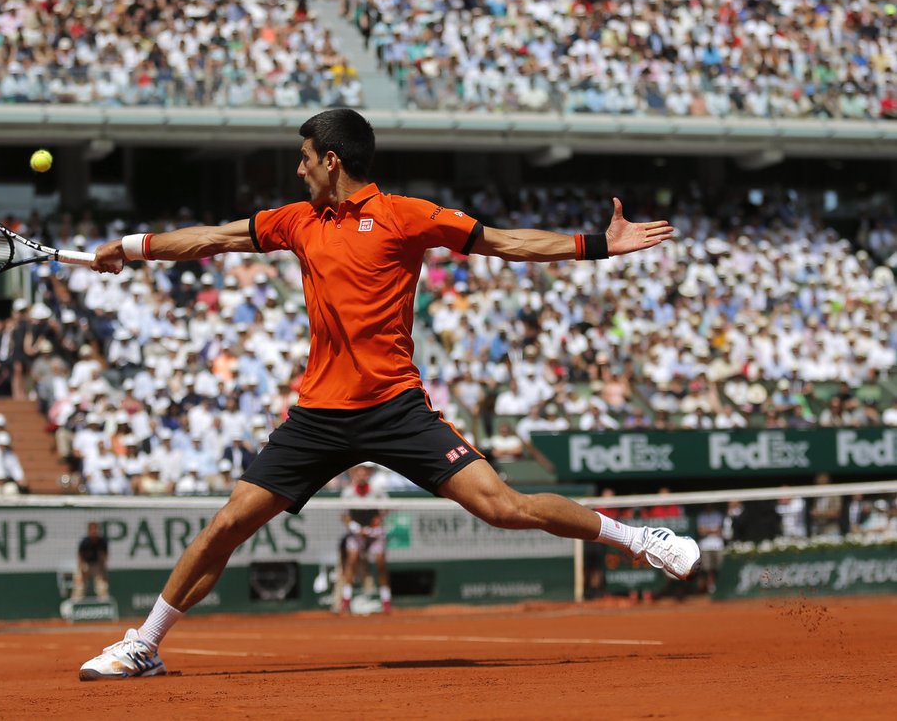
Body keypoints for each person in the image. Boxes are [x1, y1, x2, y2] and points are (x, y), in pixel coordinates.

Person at [79, 108, 700, 680]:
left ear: (332, 161)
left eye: (303, 157)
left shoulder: (407, 215)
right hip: (318, 415)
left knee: (504, 508)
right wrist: (132, 249)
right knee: (228, 524)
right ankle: (145, 644)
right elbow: (213, 237)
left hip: (396, 407)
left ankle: (643, 541)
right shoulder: (297, 221)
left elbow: (504, 242)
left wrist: (596, 246)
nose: (297, 169)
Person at [337, 462, 391, 614]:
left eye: (365, 472)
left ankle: (386, 600)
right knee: (352, 560)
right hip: (356, 532)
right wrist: (356, 528)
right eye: (359, 471)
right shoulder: (347, 492)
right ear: (354, 473)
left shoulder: (377, 491)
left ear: (369, 474)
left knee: (380, 562)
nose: (362, 475)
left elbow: (386, 509)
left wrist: (376, 522)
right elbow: (344, 515)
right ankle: (345, 600)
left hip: (375, 532)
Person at [72, 522, 110, 601]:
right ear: (88, 531)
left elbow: (105, 555)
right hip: (85, 564)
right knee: (79, 585)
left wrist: (103, 571)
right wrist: (81, 570)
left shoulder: (102, 541)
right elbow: (80, 557)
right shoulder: (84, 542)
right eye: (92, 530)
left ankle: (105, 603)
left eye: (95, 529)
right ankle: (75, 603)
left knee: (102, 586)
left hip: (97, 565)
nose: (94, 532)